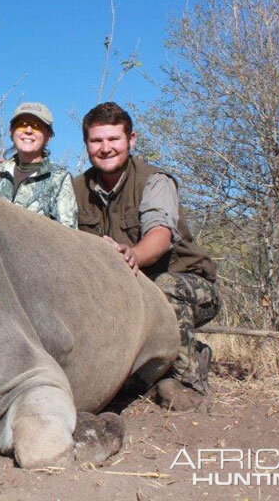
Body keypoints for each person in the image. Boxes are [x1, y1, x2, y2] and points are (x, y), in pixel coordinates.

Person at [73, 102, 219, 409]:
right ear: (86, 144)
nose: (105, 148)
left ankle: (187, 383)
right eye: (97, 141)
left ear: (131, 140)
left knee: (164, 287)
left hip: (185, 286)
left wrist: (132, 255)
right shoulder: (75, 188)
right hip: (124, 294)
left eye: (114, 139)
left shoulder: (156, 181)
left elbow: (160, 236)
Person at [0, 102, 77, 228]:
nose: (28, 130)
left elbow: (69, 234)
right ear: (11, 131)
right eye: (22, 124)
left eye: (37, 126)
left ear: (48, 136)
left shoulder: (59, 178)